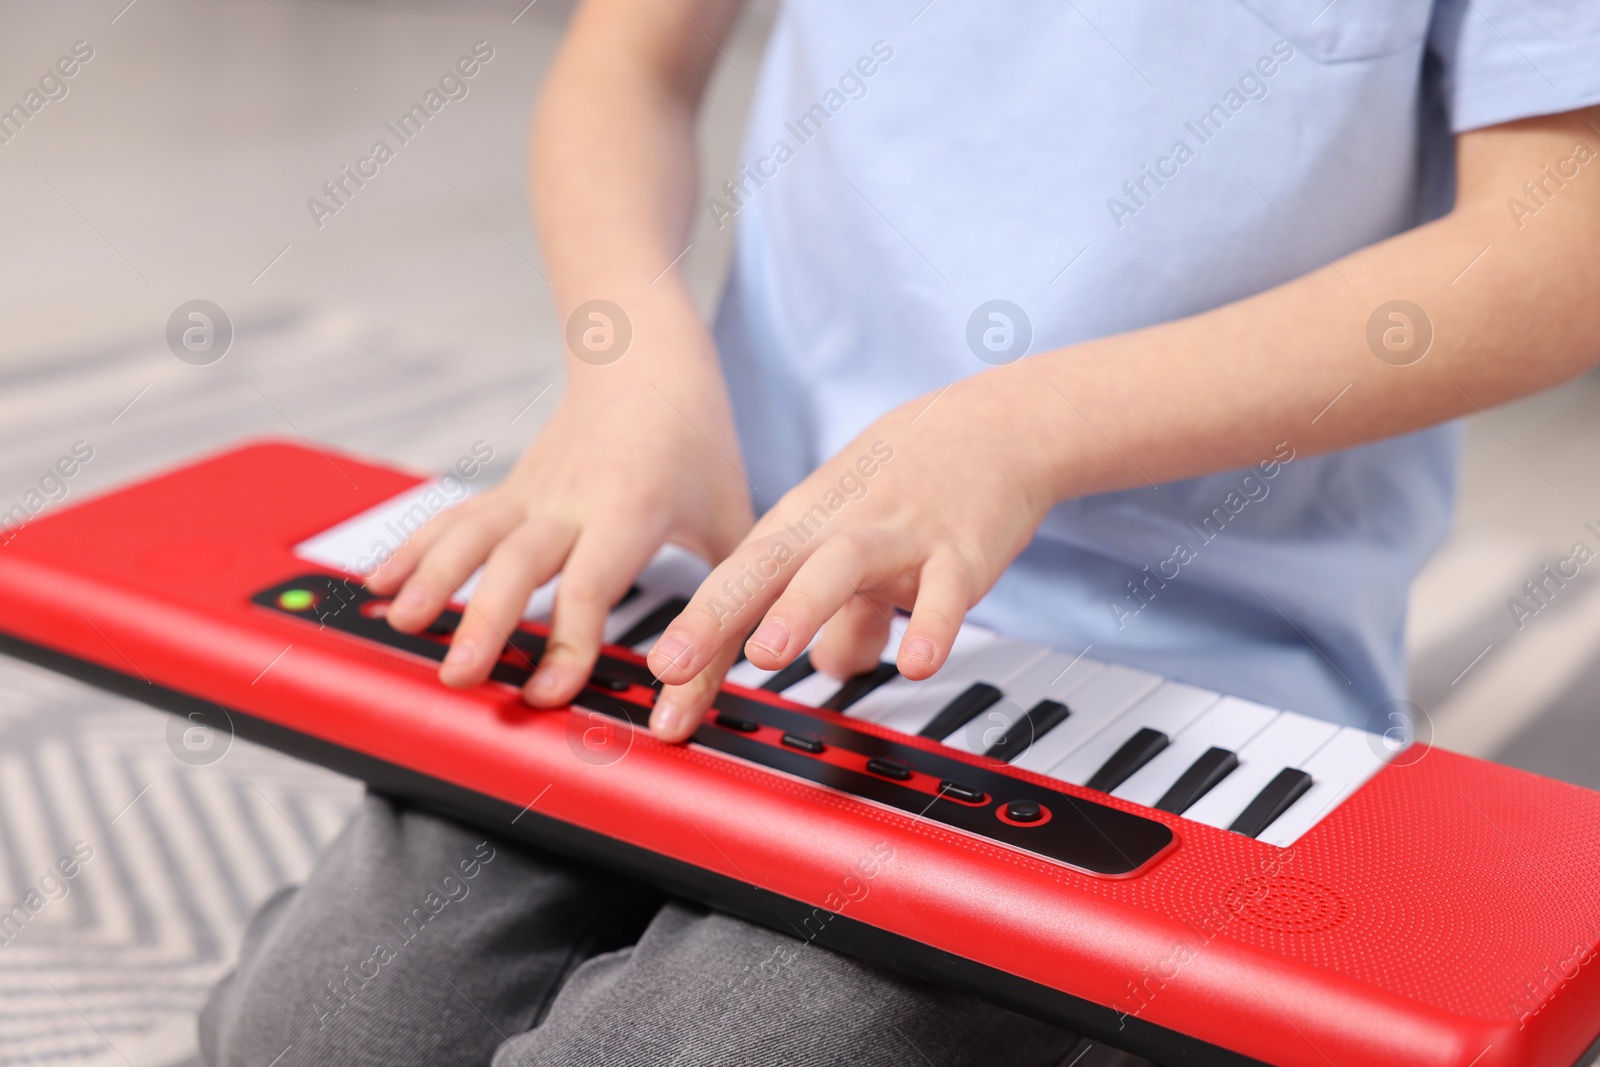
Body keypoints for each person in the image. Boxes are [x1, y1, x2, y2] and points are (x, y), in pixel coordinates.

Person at [201, 1, 1600, 1064]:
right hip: (727, 589)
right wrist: (625, 355)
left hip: (1180, 674)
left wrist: (1027, 428)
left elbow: (1561, 239)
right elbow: (624, 62)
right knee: (316, 1032)